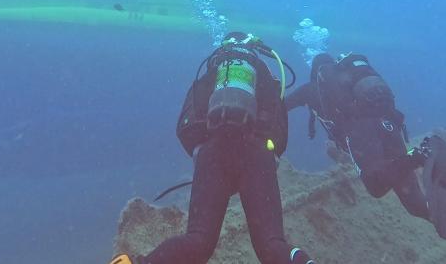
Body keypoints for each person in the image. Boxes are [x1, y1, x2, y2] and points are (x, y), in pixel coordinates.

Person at [112, 32, 314, 264]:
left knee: (198, 241)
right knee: (271, 244)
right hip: (257, 155)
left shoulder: (209, 76)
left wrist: (203, 150)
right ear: (254, 50)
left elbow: (184, 127)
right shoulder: (265, 77)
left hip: (213, 154)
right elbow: (280, 132)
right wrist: (267, 151)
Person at [286, 52, 430, 219]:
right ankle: (438, 212)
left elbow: (282, 106)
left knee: (375, 184)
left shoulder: (311, 89)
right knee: (414, 202)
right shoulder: (350, 85)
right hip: (388, 122)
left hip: (361, 131)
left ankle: (415, 157)